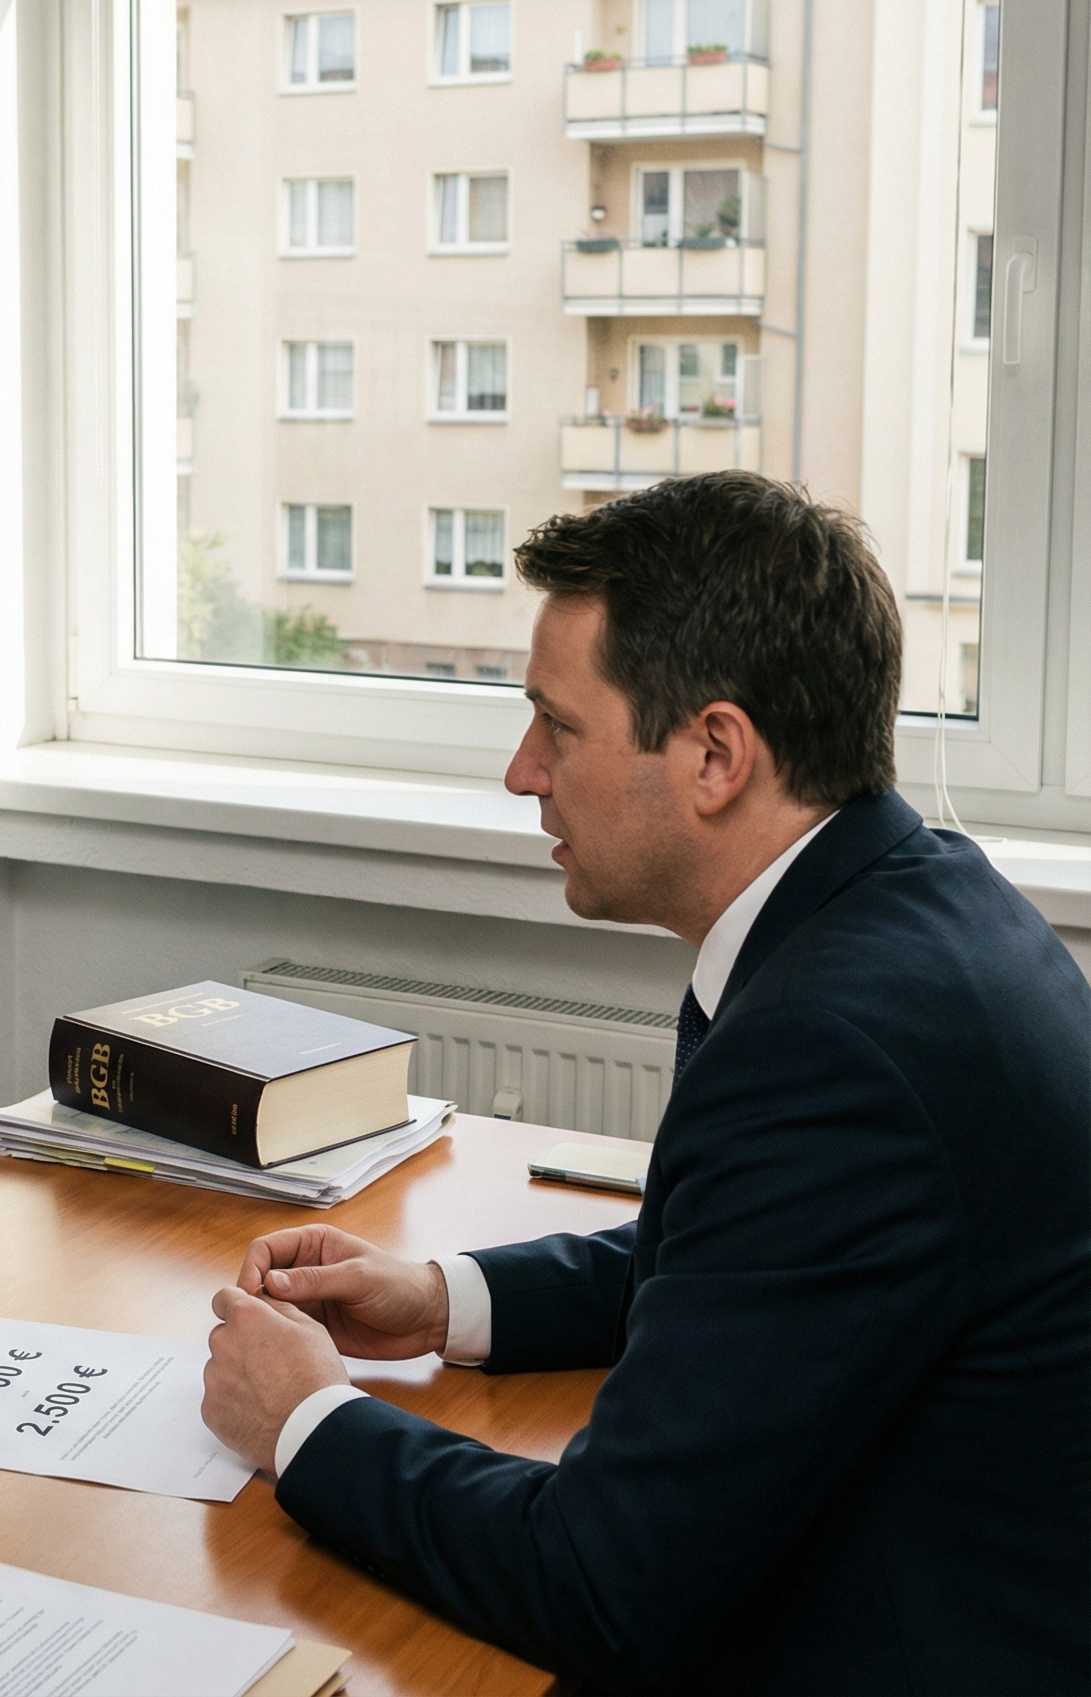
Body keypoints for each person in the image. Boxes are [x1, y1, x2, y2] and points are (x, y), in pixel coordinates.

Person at [201, 472, 1090, 1694]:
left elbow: (601, 1581)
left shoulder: (830, 1043)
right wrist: (439, 1297)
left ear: (715, 752)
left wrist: (304, 1422)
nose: (522, 772)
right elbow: (747, 1266)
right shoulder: (910, 898)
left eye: (555, 726)